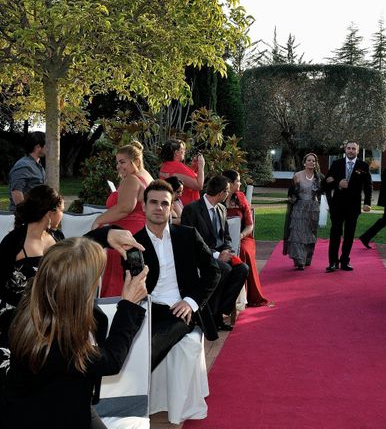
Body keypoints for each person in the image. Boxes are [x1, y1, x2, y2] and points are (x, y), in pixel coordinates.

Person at [0, 237, 149, 428]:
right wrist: (128, 306)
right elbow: (110, 360)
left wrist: (107, 234)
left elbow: (70, 255)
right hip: (42, 416)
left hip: (67, 398)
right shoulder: (54, 344)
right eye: (97, 275)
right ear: (81, 288)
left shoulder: (39, 301)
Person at [134, 179, 221, 367]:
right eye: (153, 202)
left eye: (165, 203)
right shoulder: (134, 244)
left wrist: (191, 302)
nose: (159, 207)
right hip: (148, 307)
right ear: (144, 206)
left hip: (179, 308)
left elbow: (212, 271)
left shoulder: (188, 235)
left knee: (151, 344)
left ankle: (134, 382)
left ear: (171, 207)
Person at [181, 175, 249, 332]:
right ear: (222, 193)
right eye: (227, 191)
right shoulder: (192, 209)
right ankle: (210, 315)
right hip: (200, 256)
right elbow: (190, 242)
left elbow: (226, 236)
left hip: (221, 255)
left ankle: (218, 312)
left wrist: (227, 250)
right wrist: (217, 255)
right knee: (223, 269)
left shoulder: (222, 209)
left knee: (242, 269)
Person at [0, 185, 64, 346]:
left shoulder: (58, 239)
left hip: (51, 318)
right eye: (61, 210)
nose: (62, 215)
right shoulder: (13, 241)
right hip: (15, 319)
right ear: (50, 213)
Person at [92, 142, 153, 297]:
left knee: (118, 279)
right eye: (117, 162)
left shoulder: (131, 179)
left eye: (122, 162)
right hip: (138, 232)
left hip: (124, 235)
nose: (118, 166)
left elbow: (125, 207)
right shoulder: (147, 176)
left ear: (136, 161)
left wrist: (99, 220)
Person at [323, 141, 372, 272]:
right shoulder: (336, 164)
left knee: (349, 235)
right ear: (345, 149)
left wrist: (367, 202)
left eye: (353, 149)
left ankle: (345, 261)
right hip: (337, 206)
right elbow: (326, 183)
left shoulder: (363, 166)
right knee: (335, 234)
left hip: (353, 206)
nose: (350, 151)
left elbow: (368, 185)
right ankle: (333, 262)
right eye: (348, 148)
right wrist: (338, 184)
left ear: (357, 150)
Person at [223, 169, 269, 305]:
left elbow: (250, 225)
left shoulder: (241, 197)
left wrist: (241, 235)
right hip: (224, 238)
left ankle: (247, 295)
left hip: (243, 237)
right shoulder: (217, 197)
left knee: (242, 250)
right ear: (229, 184)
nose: (240, 183)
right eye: (237, 180)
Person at [283, 153, 324, 271]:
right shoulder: (297, 176)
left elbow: (324, 191)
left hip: (313, 209)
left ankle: (307, 259)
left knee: (309, 235)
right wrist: (292, 198)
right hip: (299, 209)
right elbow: (291, 192)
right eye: (309, 160)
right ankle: (299, 260)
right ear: (304, 162)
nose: (311, 162)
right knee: (297, 234)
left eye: (314, 161)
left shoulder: (319, 177)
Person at [159, 139, 205, 206]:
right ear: (176, 152)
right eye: (183, 149)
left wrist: (193, 168)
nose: (184, 151)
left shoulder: (165, 165)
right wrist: (201, 166)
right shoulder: (178, 167)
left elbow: (183, 180)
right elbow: (199, 186)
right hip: (188, 207)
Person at [8, 131, 46, 212]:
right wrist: (26, 216)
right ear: (38, 147)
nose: (49, 148)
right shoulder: (23, 166)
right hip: (23, 218)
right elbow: (16, 192)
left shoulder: (38, 165)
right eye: (47, 146)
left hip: (35, 215)